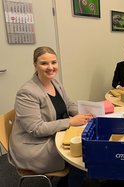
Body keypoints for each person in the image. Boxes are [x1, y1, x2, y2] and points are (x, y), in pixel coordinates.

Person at [8, 46, 93, 186]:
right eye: (44, 63)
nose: (50, 67)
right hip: (34, 146)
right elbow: (36, 129)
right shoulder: (27, 92)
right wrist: (71, 121)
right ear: (35, 65)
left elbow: (69, 105)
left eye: (53, 62)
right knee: (81, 153)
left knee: (86, 141)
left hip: (54, 134)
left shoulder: (55, 82)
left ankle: (73, 178)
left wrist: (86, 114)